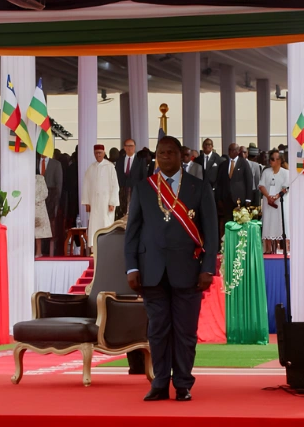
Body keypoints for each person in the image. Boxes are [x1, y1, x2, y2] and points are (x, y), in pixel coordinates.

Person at [125, 135, 218, 402]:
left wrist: (208, 267)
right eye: (161, 153)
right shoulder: (144, 188)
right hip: (151, 271)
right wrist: (131, 268)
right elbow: (132, 232)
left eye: (170, 152)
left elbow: (211, 232)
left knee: (185, 331)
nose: (165, 157)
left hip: (189, 270)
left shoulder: (198, 187)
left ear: (182, 156)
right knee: (157, 331)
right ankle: (159, 382)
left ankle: (183, 384)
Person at [82, 144, 120, 253]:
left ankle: (107, 247)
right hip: (94, 203)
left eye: (100, 153)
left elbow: (115, 185)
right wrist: (87, 202)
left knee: (106, 223)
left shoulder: (110, 167)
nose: (98, 155)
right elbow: (86, 186)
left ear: (104, 153)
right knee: (94, 224)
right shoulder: (91, 168)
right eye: (96, 153)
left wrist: (112, 202)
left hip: (106, 203)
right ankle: (94, 248)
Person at [216, 143, 253, 234]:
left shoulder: (243, 162)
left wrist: (248, 198)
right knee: (228, 222)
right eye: (229, 150)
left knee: (239, 222)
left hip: (239, 198)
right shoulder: (223, 164)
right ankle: (227, 242)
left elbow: (249, 180)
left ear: (238, 151)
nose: (231, 152)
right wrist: (219, 198)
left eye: (233, 150)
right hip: (226, 198)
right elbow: (219, 182)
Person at [258, 149, 289, 254]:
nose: (272, 161)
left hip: (280, 202)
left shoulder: (286, 173)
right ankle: (268, 250)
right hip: (268, 203)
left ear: (280, 160)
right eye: (271, 159)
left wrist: (276, 197)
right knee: (268, 224)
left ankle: (284, 250)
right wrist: (268, 197)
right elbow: (261, 185)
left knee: (281, 224)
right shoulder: (266, 172)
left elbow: (286, 188)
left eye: (274, 159)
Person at [116, 138, 147, 218]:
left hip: (135, 191)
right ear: (124, 147)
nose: (129, 148)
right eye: (127, 146)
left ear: (135, 147)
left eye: (131, 146)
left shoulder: (140, 161)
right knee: (122, 213)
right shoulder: (120, 160)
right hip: (122, 191)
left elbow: (144, 178)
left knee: (134, 213)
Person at [38, 154, 62, 255]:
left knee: (50, 224)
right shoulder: (33, 162)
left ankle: (50, 250)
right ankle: (39, 249)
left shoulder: (56, 164)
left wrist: (56, 201)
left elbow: (59, 184)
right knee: (38, 224)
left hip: (51, 199)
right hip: (36, 199)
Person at [35, 172, 51, 257]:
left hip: (38, 206)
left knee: (38, 226)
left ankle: (38, 251)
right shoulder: (23, 178)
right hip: (27, 207)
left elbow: (45, 193)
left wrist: (34, 200)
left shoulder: (40, 178)